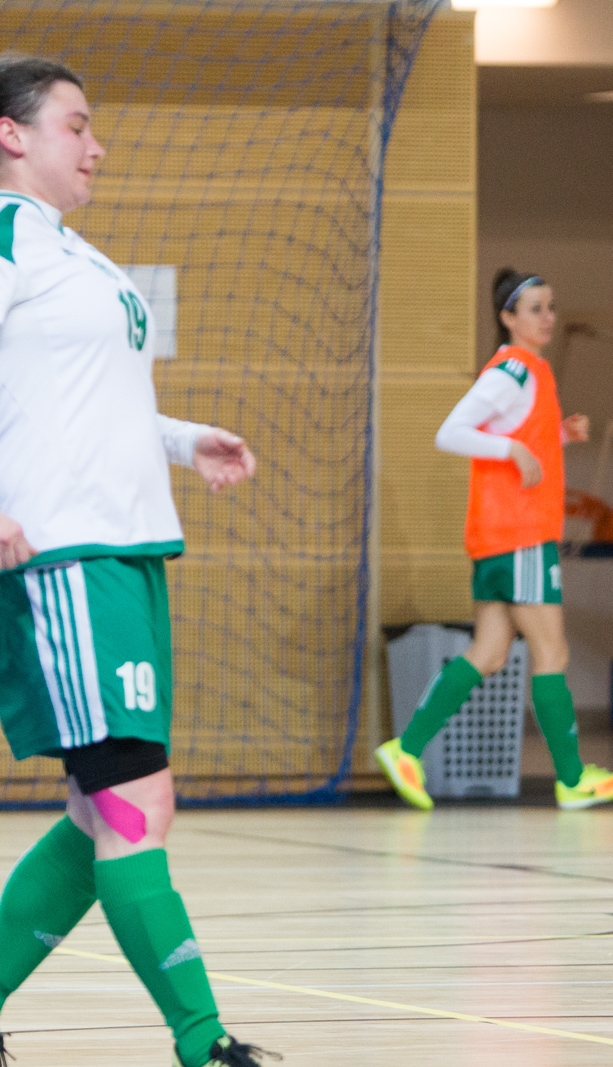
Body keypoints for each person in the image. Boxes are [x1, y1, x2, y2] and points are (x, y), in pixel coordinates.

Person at [0, 55, 270, 1067]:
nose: (97, 143)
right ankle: (203, 1039)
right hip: (64, 554)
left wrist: (182, 435)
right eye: (76, 124)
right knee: (132, 799)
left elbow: (86, 403)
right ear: (11, 135)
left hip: (129, 546)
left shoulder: (77, 257)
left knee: (99, 804)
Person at [376, 269, 613, 812]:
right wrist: (512, 453)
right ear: (508, 318)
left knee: (490, 653)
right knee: (551, 650)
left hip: (504, 536)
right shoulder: (513, 370)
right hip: (519, 535)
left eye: (551, 306)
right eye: (535, 308)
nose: (548, 317)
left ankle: (406, 749)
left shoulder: (530, 372)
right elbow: (451, 432)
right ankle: (571, 778)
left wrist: (557, 435)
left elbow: (514, 433)